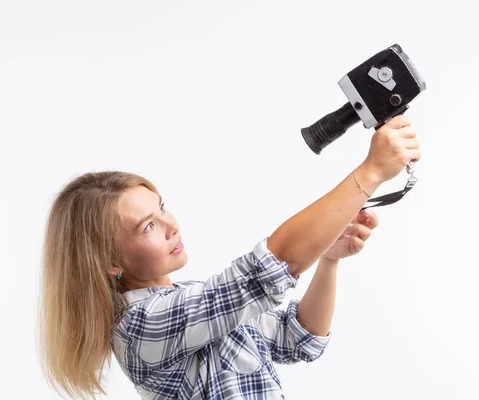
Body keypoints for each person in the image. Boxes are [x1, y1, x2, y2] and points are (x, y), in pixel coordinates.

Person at [37, 115, 421, 399]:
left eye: (162, 209)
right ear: (110, 261)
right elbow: (270, 268)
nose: (172, 226)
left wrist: (329, 258)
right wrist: (370, 173)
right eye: (147, 226)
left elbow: (298, 337)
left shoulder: (192, 302)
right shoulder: (140, 326)